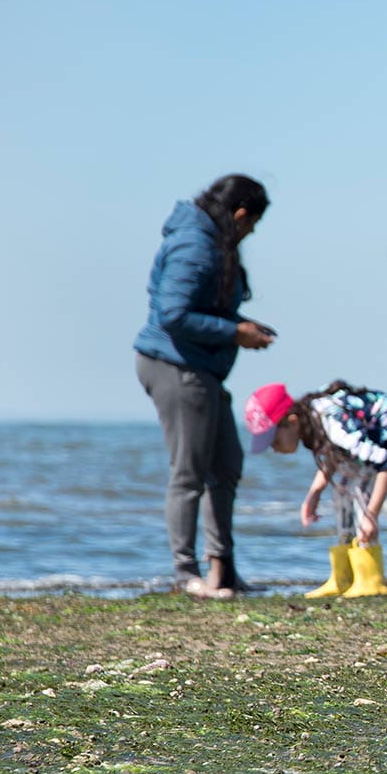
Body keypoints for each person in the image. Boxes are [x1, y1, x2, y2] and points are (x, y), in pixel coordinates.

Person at [132, 174, 276, 598]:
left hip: (202, 370)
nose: (250, 234)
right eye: (252, 225)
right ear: (239, 215)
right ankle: (185, 573)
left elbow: (199, 307)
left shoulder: (210, 241)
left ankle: (223, 571)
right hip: (175, 367)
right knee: (189, 473)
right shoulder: (195, 244)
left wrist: (240, 326)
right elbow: (173, 314)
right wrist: (235, 333)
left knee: (226, 464)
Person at [244, 381, 387, 598]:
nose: (273, 448)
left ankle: (369, 577)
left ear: (292, 420)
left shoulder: (333, 424)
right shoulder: (315, 419)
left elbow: (384, 463)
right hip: (369, 431)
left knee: (357, 486)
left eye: (273, 439)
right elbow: (333, 454)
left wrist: (371, 515)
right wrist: (315, 492)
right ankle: (343, 576)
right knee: (344, 485)